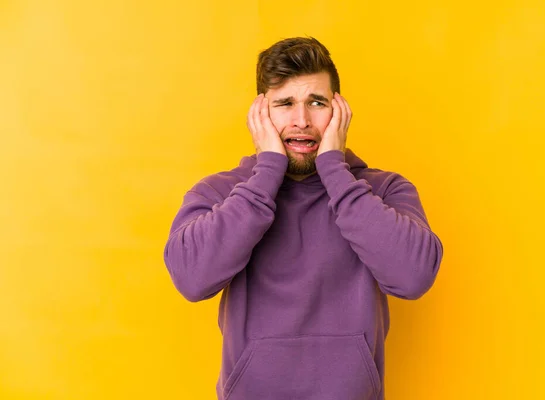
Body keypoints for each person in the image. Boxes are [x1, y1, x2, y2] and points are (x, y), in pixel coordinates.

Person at [163, 36, 444, 400]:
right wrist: (267, 173)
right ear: (261, 114)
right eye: (285, 103)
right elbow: (190, 278)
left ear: (339, 110)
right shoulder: (220, 193)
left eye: (316, 102)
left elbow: (414, 277)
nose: (302, 120)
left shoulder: (383, 190)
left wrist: (334, 169)